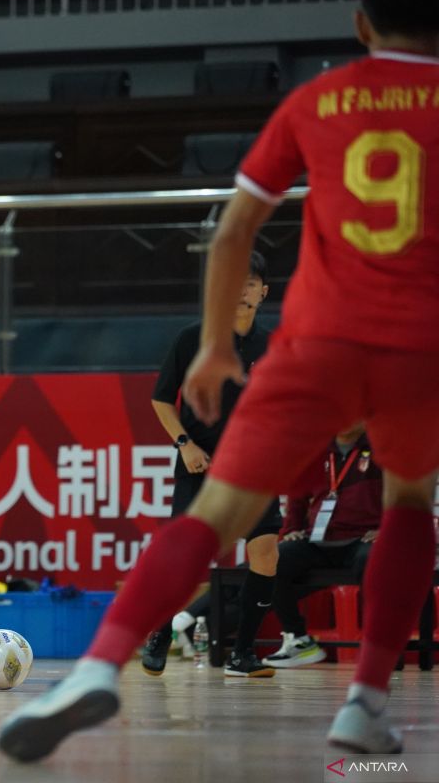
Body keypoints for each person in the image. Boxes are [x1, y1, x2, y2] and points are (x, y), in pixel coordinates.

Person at [0, 0, 439, 760]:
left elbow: (236, 227)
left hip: (316, 341)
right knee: (409, 500)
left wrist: (213, 345)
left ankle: (99, 666)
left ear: (361, 23)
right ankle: (367, 701)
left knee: (213, 518)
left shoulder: (318, 99)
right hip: (420, 347)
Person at [143, 250, 280, 678]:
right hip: (200, 468)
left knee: (266, 552)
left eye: (251, 283)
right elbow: (161, 399)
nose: (243, 290)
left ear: (263, 292)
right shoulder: (193, 339)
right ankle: (160, 633)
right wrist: (184, 443)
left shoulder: (273, 345)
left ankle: (243, 653)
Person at [266, 424, 383, 669]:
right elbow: (297, 496)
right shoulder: (316, 448)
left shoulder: (382, 446)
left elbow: (403, 494)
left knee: (373, 560)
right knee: (275, 559)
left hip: (362, 537)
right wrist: (290, 531)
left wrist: (387, 528)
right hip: (319, 539)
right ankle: (299, 640)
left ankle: (379, 645)